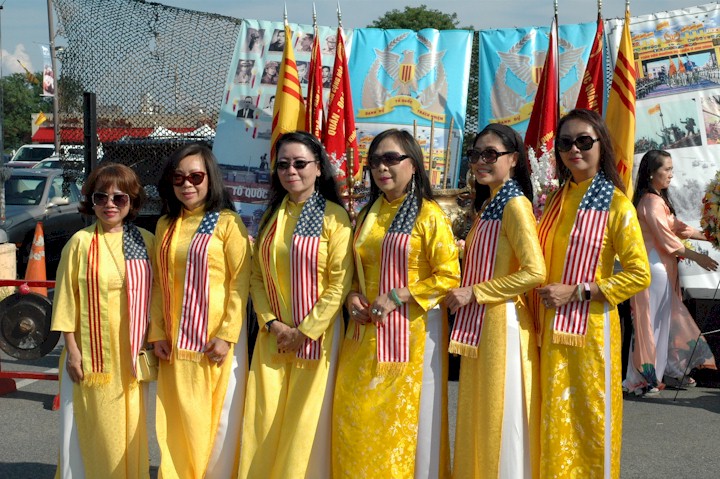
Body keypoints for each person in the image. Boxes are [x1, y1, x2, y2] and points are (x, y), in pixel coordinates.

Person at [333, 129, 460, 478]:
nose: (381, 168)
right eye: (375, 161)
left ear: (414, 164)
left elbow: (449, 277)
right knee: (354, 418)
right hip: (363, 336)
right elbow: (357, 271)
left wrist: (398, 295)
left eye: (391, 159)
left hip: (411, 337)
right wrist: (352, 296)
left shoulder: (429, 215)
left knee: (401, 425)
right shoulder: (368, 212)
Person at [532, 109, 651, 478]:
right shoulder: (556, 200)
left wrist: (579, 291)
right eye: (566, 143)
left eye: (584, 141)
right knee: (553, 418)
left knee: (590, 420)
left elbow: (639, 274)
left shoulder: (616, 204)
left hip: (591, 333)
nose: (575, 150)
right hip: (548, 328)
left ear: (602, 145)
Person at [239, 132, 353, 478]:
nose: (291, 171)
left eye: (300, 163)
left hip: (317, 339)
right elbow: (256, 276)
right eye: (283, 164)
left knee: (306, 425)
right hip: (273, 337)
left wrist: (304, 331)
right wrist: (272, 322)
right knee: (264, 419)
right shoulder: (271, 216)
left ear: (318, 168)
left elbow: (339, 283)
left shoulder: (334, 218)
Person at [446, 124, 545, 479]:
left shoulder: (514, 204)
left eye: (491, 154)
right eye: (475, 154)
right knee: (480, 413)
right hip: (482, 325)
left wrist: (475, 291)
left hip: (503, 324)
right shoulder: (491, 203)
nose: (480, 161)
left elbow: (535, 271)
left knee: (498, 416)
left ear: (514, 159)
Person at [149, 144, 251, 478]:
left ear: (210, 178)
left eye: (195, 177)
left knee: (215, 421)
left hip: (214, 345)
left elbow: (240, 282)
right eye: (179, 178)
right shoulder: (166, 224)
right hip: (175, 345)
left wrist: (226, 335)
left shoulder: (226, 223)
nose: (187, 185)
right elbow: (158, 283)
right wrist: (157, 332)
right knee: (178, 420)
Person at [52, 164, 154, 478]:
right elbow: (65, 300)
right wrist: (73, 351)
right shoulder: (79, 243)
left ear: (132, 202)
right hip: (89, 356)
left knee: (129, 431)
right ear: (91, 201)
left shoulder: (146, 241)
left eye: (119, 198)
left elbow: (161, 296)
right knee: (90, 431)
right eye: (101, 197)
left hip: (130, 357)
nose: (110, 204)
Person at [624, 149, 717, 397]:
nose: (671, 174)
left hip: (662, 268)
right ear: (651, 173)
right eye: (667, 169)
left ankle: (656, 373)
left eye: (671, 169)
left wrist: (712, 236)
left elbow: (679, 228)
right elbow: (667, 239)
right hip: (653, 269)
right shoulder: (650, 202)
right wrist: (699, 257)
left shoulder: (656, 200)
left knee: (660, 322)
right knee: (650, 323)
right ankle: (643, 378)